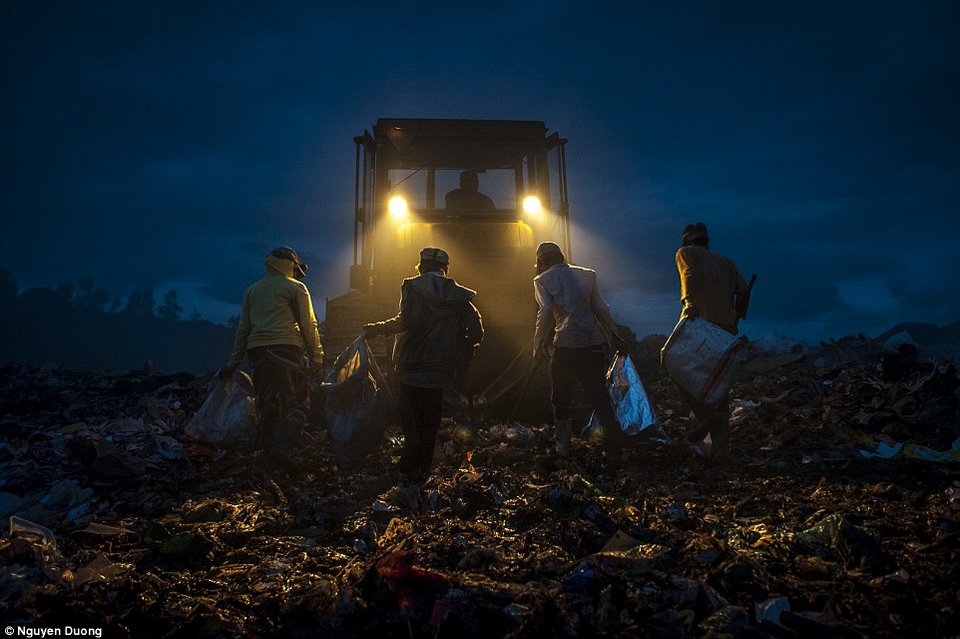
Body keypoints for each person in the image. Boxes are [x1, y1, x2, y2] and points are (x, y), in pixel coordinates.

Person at [363, 247, 483, 481]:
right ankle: (424, 463)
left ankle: (411, 452)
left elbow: (407, 320)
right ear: (445, 268)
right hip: (440, 366)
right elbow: (476, 328)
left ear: (421, 266)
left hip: (411, 362)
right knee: (431, 413)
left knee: (408, 409)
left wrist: (377, 329)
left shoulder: (413, 287)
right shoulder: (458, 295)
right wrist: (466, 349)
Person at [220, 246, 324, 469]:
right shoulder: (296, 288)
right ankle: (280, 452)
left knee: (266, 405)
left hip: (257, 353)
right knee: (296, 404)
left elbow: (243, 329)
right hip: (287, 351)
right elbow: (309, 325)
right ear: (292, 266)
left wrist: (232, 363)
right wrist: (317, 358)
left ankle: (268, 455)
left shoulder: (253, 290)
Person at [533, 241, 626, 469]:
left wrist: (537, 347)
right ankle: (613, 450)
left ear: (541, 261)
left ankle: (563, 449)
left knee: (560, 398)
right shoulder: (588, 275)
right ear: (561, 256)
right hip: (592, 343)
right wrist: (614, 336)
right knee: (599, 396)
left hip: (565, 346)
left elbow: (545, 312)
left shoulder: (542, 280)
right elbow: (601, 309)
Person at [674, 222, 749, 459]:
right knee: (719, 387)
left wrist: (688, 303)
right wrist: (737, 316)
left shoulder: (685, 253)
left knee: (675, 369)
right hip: (725, 331)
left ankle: (708, 417)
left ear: (686, 240)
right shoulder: (727, 262)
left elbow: (688, 273)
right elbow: (744, 290)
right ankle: (720, 451)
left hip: (702, 328)